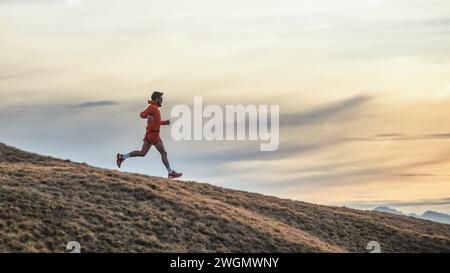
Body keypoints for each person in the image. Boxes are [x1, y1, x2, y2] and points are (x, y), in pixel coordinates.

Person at [116, 91, 182, 179]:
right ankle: (170, 172)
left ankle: (122, 157)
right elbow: (141, 114)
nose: (162, 100)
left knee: (142, 153)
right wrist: (147, 116)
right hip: (154, 134)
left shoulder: (155, 109)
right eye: (161, 98)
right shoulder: (152, 107)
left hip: (149, 135)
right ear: (157, 99)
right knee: (164, 153)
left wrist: (164, 122)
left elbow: (156, 122)